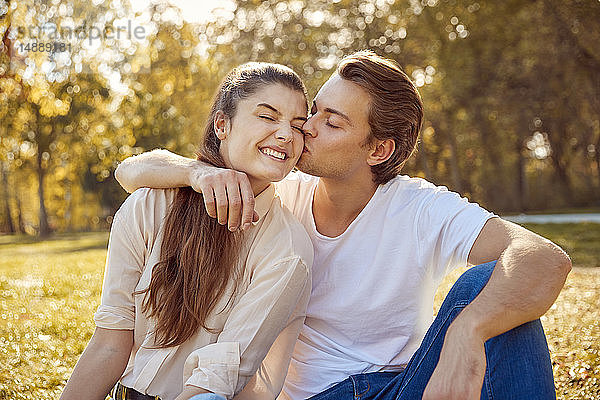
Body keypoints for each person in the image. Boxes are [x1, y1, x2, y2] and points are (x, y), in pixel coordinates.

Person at [115, 51, 571, 400]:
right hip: (308, 395)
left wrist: (466, 334)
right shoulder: (278, 186)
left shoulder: (419, 207)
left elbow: (544, 259)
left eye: (329, 122)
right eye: (313, 112)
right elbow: (132, 170)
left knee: (492, 293)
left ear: (378, 150)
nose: (304, 130)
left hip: (398, 387)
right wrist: (196, 173)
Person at [60, 62, 315, 400]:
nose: (286, 134)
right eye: (268, 117)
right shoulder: (149, 206)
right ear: (222, 124)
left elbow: (214, 381)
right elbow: (110, 344)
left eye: (297, 126)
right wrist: (196, 173)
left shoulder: (288, 250)